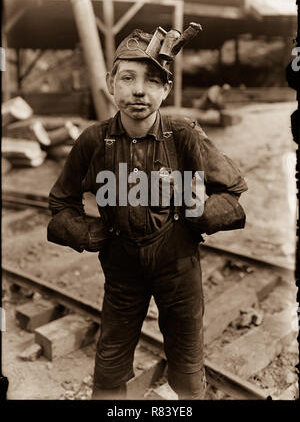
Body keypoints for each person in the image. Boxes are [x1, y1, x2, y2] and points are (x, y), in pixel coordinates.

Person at [47, 26, 248, 400]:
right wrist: (88, 234)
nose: (139, 90)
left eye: (153, 81)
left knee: (187, 370)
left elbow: (232, 194)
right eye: (128, 78)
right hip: (122, 272)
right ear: (111, 83)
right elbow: (60, 205)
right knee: (109, 369)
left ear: (167, 89)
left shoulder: (184, 134)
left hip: (178, 268)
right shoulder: (93, 141)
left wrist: (201, 214)